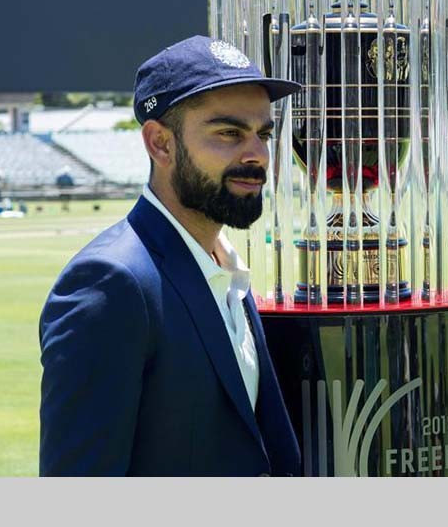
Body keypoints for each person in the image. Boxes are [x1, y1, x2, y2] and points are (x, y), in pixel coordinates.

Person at [39, 35, 302, 476]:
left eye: (263, 134)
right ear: (160, 144)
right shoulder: (110, 284)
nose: (257, 155)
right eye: (229, 133)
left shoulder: (226, 269)